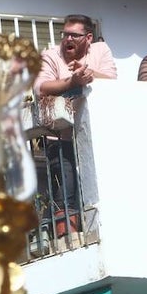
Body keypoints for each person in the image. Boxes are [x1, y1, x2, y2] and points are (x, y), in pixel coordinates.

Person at [32, 15, 116, 232]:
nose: (67, 38)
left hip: (98, 135)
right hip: (60, 136)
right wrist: (72, 81)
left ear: (88, 37)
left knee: (105, 187)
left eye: (74, 35)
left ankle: (100, 231)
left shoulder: (101, 51)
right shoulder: (50, 55)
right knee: (65, 192)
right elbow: (40, 88)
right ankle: (66, 238)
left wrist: (89, 73)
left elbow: (114, 81)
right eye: (65, 34)